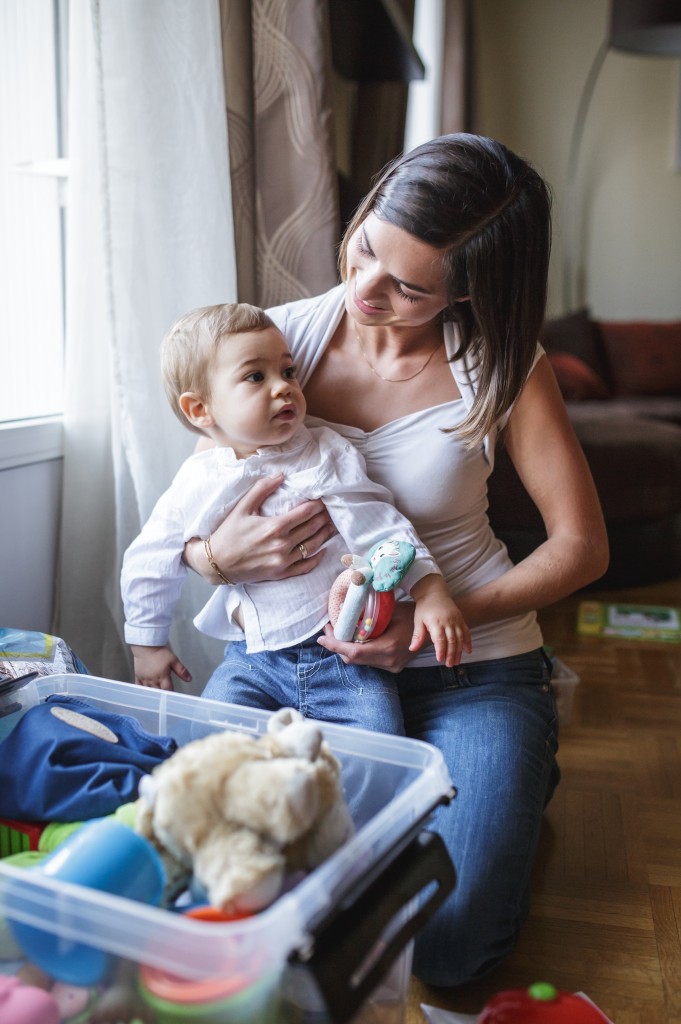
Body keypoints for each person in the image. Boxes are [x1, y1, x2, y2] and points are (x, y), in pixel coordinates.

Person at [184, 134, 609, 988]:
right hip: (299, 668)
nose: (365, 289)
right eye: (367, 245)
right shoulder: (280, 340)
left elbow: (581, 548)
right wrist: (214, 557)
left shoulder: (503, 367)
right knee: (206, 868)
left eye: (408, 286)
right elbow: (188, 509)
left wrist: (439, 612)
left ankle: (514, 761)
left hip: (469, 671)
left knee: (446, 947)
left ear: (470, 290)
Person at [121, 302, 470, 717]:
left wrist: (431, 593)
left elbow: (384, 531)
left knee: (375, 750)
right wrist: (148, 645)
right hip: (251, 661)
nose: (283, 386)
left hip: (342, 656)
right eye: (255, 377)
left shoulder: (324, 453)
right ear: (201, 410)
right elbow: (149, 560)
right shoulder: (194, 482)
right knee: (209, 738)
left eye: (288, 372)